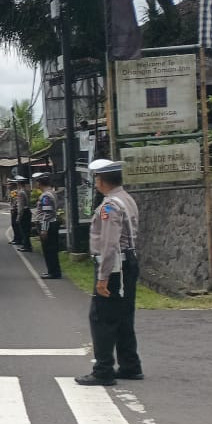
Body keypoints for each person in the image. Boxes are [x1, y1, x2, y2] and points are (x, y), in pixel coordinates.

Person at [76, 159, 143, 385]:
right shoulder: (126, 199)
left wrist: (103, 277)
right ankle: (130, 365)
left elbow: (109, 243)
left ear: (102, 180)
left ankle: (103, 370)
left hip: (115, 266)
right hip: (128, 262)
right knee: (124, 316)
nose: (95, 182)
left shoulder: (110, 206)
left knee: (101, 317)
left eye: (96, 178)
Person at [34, 173, 61, 279]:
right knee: (51, 250)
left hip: (48, 225)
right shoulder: (51, 193)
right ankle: (52, 271)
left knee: (49, 250)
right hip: (52, 223)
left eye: (37, 182)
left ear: (40, 183)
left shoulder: (46, 196)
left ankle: (53, 272)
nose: (36, 184)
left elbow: (47, 214)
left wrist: (44, 229)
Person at [14, 176, 34, 252]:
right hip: (28, 211)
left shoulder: (21, 193)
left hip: (24, 213)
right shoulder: (27, 191)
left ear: (19, 184)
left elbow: (20, 206)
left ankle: (26, 246)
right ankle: (27, 245)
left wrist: (18, 217)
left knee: (24, 230)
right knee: (27, 230)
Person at [7, 177, 22, 246]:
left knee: (15, 225)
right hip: (14, 210)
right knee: (14, 225)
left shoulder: (14, 192)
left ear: (12, 185)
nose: (8, 186)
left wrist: (13, 209)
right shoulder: (13, 191)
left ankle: (18, 239)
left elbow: (15, 202)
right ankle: (16, 238)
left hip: (15, 211)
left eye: (9, 184)